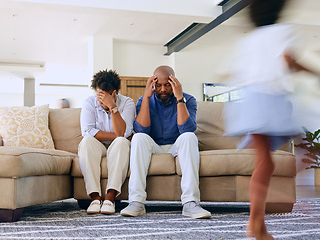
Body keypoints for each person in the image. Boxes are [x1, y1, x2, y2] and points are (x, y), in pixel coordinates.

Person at [222, 0, 317, 239]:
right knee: (306, 144)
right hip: (269, 98)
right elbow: (287, 59)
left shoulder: (249, 39)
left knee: (265, 163)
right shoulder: (284, 30)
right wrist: (314, 72)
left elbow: (236, 72)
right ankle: (303, 188)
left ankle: (257, 225)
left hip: (249, 100)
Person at [120, 65, 211, 219]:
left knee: (189, 137)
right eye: (159, 85)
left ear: (174, 83)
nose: (163, 89)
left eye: (167, 85)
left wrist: (179, 98)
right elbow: (142, 129)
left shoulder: (187, 99)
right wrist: (147, 98)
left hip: (177, 146)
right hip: (154, 146)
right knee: (138, 138)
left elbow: (186, 129)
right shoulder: (144, 99)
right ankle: (136, 202)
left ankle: (190, 203)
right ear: (153, 84)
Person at [79, 69, 136, 215]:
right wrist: (117, 136)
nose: (101, 99)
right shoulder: (89, 102)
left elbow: (124, 133)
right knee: (86, 142)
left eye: (105, 95)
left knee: (122, 143)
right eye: (99, 94)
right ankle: (95, 198)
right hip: (98, 145)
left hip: (117, 146)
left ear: (114, 92)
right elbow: (88, 131)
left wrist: (113, 107)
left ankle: (110, 198)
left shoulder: (127, 103)